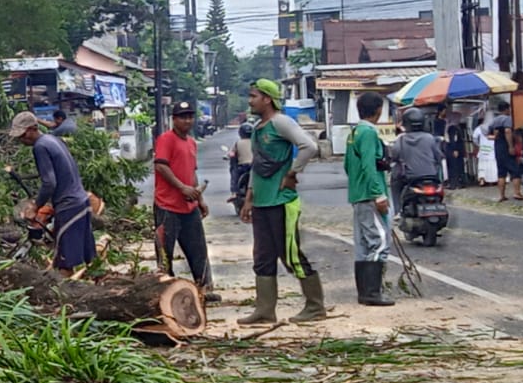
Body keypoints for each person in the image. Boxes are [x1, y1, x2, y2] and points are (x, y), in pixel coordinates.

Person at [238, 79, 327, 325]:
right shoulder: (258, 127)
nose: (250, 100)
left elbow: (309, 146)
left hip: (281, 202)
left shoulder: (281, 122)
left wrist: (292, 173)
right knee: (263, 257)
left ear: (267, 99)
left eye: (254, 95)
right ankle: (265, 309)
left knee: (291, 255)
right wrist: (249, 199)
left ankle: (315, 306)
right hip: (262, 203)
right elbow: (257, 166)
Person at [10, 110, 95, 275]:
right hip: (81, 200)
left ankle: (64, 298)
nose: (21, 139)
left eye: (22, 135)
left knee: (64, 263)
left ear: (33, 128)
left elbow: (49, 183)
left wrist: (36, 206)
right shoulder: (53, 139)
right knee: (89, 258)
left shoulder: (40, 147)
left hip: (69, 205)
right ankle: (100, 288)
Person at [153, 100, 219, 301]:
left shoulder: (191, 142)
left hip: (189, 206)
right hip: (167, 205)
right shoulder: (166, 139)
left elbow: (192, 172)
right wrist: (181, 188)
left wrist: (200, 199)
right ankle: (165, 291)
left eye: (190, 117)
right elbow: (161, 166)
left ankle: (205, 289)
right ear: (174, 119)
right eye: (183, 117)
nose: (187, 121)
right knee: (165, 251)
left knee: (198, 249)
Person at [345, 93, 393, 307]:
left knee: (363, 244)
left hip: (357, 194)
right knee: (380, 241)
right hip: (370, 195)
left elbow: (348, 165)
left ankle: (364, 292)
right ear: (378, 110)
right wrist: (378, 193)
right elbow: (368, 165)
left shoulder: (354, 133)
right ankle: (372, 292)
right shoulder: (368, 133)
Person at [477, 102, 523, 201]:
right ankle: (517, 193)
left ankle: (502, 195)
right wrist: (511, 146)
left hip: (498, 148)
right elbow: (508, 131)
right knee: (515, 171)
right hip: (506, 147)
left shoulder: (494, 121)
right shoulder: (507, 119)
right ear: (507, 109)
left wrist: (496, 137)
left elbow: (488, 135)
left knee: (501, 173)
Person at [444, 122, 467, 188]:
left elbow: (452, 139)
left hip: (452, 150)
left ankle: (454, 184)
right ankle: (460, 182)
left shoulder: (452, 128)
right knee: (458, 167)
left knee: (453, 167)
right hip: (457, 150)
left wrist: (455, 149)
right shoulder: (457, 128)